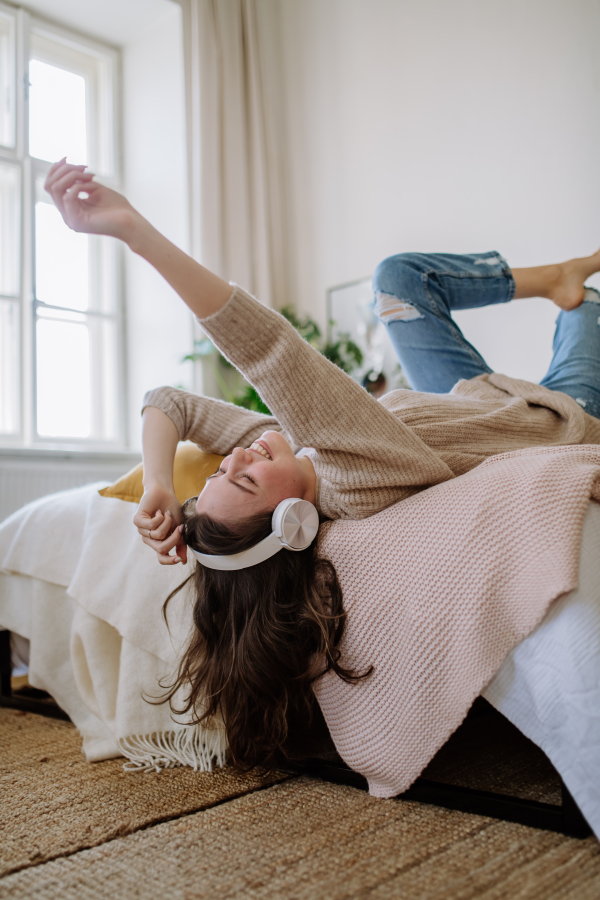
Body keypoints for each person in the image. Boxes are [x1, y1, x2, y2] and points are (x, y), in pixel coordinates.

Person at [45, 159, 600, 769]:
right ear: (295, 524)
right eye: (247, 477)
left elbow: (169, 402)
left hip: (465, 395)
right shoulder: (351, 478)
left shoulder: (287, 452)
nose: (236, 455)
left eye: (219, 472)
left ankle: (556, 276)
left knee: (399, 279)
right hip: (562, 409)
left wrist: (158, 484)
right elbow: (269, 350)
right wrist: (132, 229)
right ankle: (578, 297)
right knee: (587, 312)